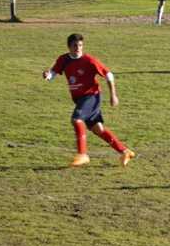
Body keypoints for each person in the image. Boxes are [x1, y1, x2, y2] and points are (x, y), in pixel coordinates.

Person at [42, 34, 135, 167]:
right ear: (68, 47)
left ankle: (82, 154)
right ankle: (125, 151)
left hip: (92, 96)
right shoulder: (63, 59)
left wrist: (113, 95)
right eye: (75, 45)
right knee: (98, 129)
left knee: (76, 119)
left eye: (80, 45)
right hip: (79, 99)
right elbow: (52, 74)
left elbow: (109, 75)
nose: (78, 48)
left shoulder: (89, 60)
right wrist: (47, 75)